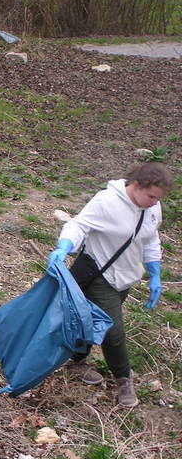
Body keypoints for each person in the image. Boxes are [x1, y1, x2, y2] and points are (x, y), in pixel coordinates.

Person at [48, 162, 173, 408]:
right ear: (137, 185)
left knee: (89, 319)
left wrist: (155, 273)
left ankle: (76, 360)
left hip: (125, 279)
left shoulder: (152, 208)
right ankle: (123, 378)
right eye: (150, 196)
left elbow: (150, 238)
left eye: (157, 198)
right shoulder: (107, 202)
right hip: (99, 275)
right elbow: (79, 225)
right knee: (112, 331)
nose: (153, 202)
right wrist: (64, 246)